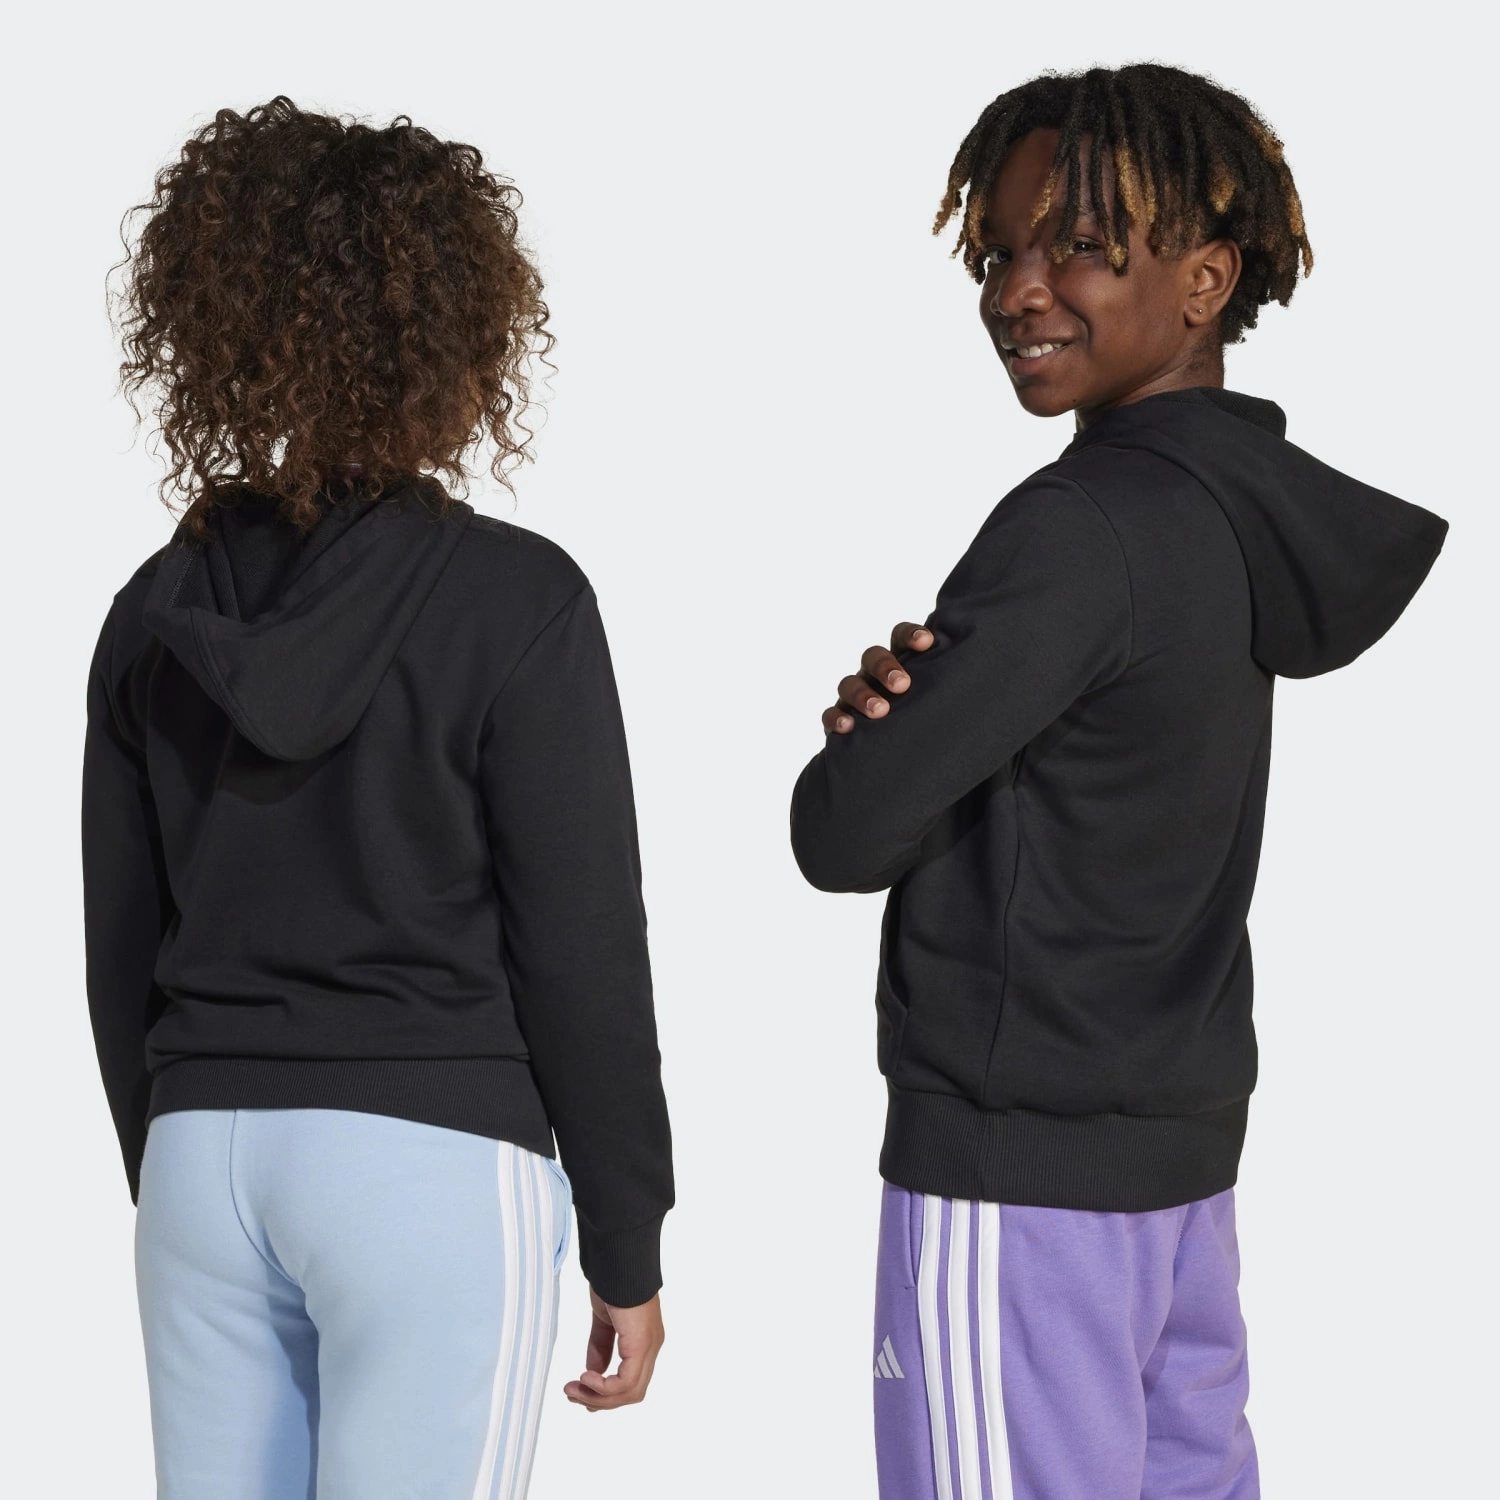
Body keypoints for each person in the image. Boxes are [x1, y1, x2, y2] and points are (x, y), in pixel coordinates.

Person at [790, 62, 1448, 1500]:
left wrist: (866, 739)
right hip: (1174, 1176)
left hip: (1021, 1180)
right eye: (997, 253)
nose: (1017, 292)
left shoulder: (1081, 525)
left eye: (1080, 246)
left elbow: (841, 833)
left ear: (1205, 280)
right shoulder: (1231, 518)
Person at [81, 97, 672, 1500]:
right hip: (429, 1161)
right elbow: (581, 945)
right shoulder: (518, 600)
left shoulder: (154, 610)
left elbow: (121, 949)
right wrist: (627, 1238)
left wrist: (173, 1155)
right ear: (457, 329)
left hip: (201, 1165)